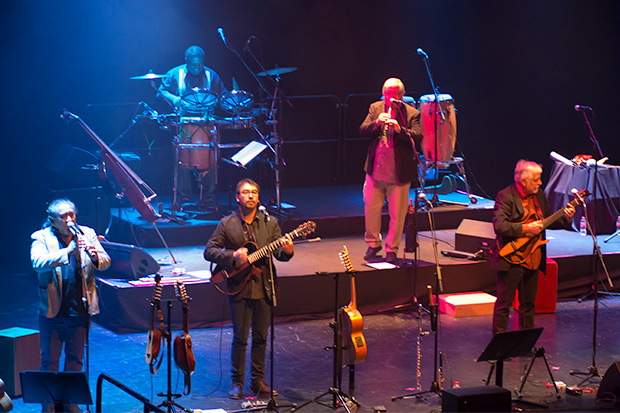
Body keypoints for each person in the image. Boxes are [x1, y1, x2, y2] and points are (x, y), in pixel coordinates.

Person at [204, 179, 294, 399]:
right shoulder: (227, 224)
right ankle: (237, 382)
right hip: (239, 287)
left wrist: (288, 250)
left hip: (263, 287)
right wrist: (232, 256)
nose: (250, 196)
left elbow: (279, 255)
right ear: (237, 197)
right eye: (245, 192)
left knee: (262, 337)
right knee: (240, 338)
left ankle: (258, 381)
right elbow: (209, 251)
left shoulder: (270, 223)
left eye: (254, 192)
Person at [31, 199, 110, 411]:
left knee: (75, 359)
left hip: (80, 310)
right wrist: (69, 251)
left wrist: (93, 253)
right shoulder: (41, 237)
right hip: (53, 312)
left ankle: (70, 402)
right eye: (63, 216)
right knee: (49, 361)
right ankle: (48, 404)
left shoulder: (87, 233)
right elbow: (37, 262)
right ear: (52, 221)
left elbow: (105, 261)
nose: (69, 220)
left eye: (71, 214)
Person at [491, 160, 575, 335]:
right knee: (504, 304)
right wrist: (526, 228)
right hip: (511, 258)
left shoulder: (540, 196)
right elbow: (500, 226)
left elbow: (546, 222)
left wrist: (566, 218)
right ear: (524, 181)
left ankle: (524, 345)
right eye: (536, 180)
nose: (540, 183)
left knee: (528, 304)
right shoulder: (506, 196)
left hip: (533, 257)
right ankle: (498, 348)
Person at [359, 77, 423, 264]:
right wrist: (376, 123)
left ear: (402, 95)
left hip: (398, 173)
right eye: (388, 93)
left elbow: (418, 135)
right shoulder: (375, 108)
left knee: (398, 214)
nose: (391, 97)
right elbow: (362, 129)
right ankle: (373, 244)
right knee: (371, 209)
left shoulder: (412, 113)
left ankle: (391, 249)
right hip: (375, 170)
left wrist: (400, 130)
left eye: (395, 94)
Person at [159, 45, 227, 208]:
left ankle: (208, 199)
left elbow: (223, 96)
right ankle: (184, 198)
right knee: (183, 160)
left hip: (206, 124)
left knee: (210, 161)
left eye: (199, 65)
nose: (196, 68)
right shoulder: (175, 74)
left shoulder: (212, 75)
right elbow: (162, 91)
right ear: (186, 62)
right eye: (193, 65)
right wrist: (174, 99)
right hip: (184, 123)